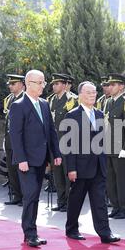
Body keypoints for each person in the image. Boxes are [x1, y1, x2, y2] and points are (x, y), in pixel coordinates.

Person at [9, 70, 62, 248]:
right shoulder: (18, 105)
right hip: (27, 161)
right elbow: (15, 135)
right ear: (28, 83)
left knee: (35, 197)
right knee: (30, 195)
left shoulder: (45, 104)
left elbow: (51, 131)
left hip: (41, 159)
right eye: (39, 83)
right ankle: (30, 233)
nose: (42, 86)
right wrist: (21, 159)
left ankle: (32, 232)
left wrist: (56, 154)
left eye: (43, 83)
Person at [64, 81, 120, 244]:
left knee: (99, 201)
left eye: (94, 92)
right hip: (80, 167)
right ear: (80, 95)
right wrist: (71, 168)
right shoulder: (72, 115)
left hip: (98, 167)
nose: (92, 95)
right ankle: (72, 229)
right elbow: (70, 145)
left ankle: (105, 233)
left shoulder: (100, 114)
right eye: (88, 92)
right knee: (76, 200)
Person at [104, 73, 125, 220]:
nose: (110, 87)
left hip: (121, 148)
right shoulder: (109, 102)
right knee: (110, 180)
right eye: (109, 85)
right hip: (108, 147)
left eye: (113, 84)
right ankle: (115, 207)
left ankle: (124, 209)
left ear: (121, 86)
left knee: (121, 180)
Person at [48, 73, 79, 212]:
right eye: (53, 84)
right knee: (57, 174)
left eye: (57, 83)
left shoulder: (72, 100)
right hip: (55, 143)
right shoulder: (51, 100)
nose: (54, 86)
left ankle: (69, 202)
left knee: (68, 174)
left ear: (65, 85)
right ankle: (61, 202)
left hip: (68, 143)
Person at [3, 74, 25, 206]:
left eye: (13, 84)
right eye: (9, 84)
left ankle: (24, 197)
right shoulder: (9, 99)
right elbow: (7, 122)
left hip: (21, 141)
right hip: (10, 140)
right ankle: (17, 195)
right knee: (11, 170)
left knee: (22, 170)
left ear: (22, 84)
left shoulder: (25, 99)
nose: (10, 86)